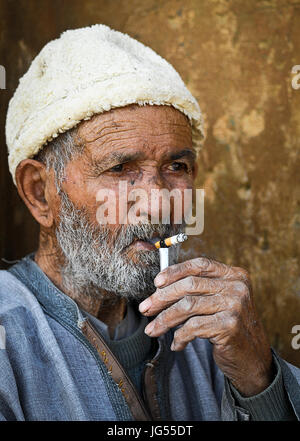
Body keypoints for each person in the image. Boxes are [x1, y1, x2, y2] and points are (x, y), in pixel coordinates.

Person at [1, 24, 299, 421]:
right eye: (121, 168)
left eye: (177, 166)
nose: (160, 204)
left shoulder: (213, 331)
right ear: (40, 191)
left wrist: (259, 378)